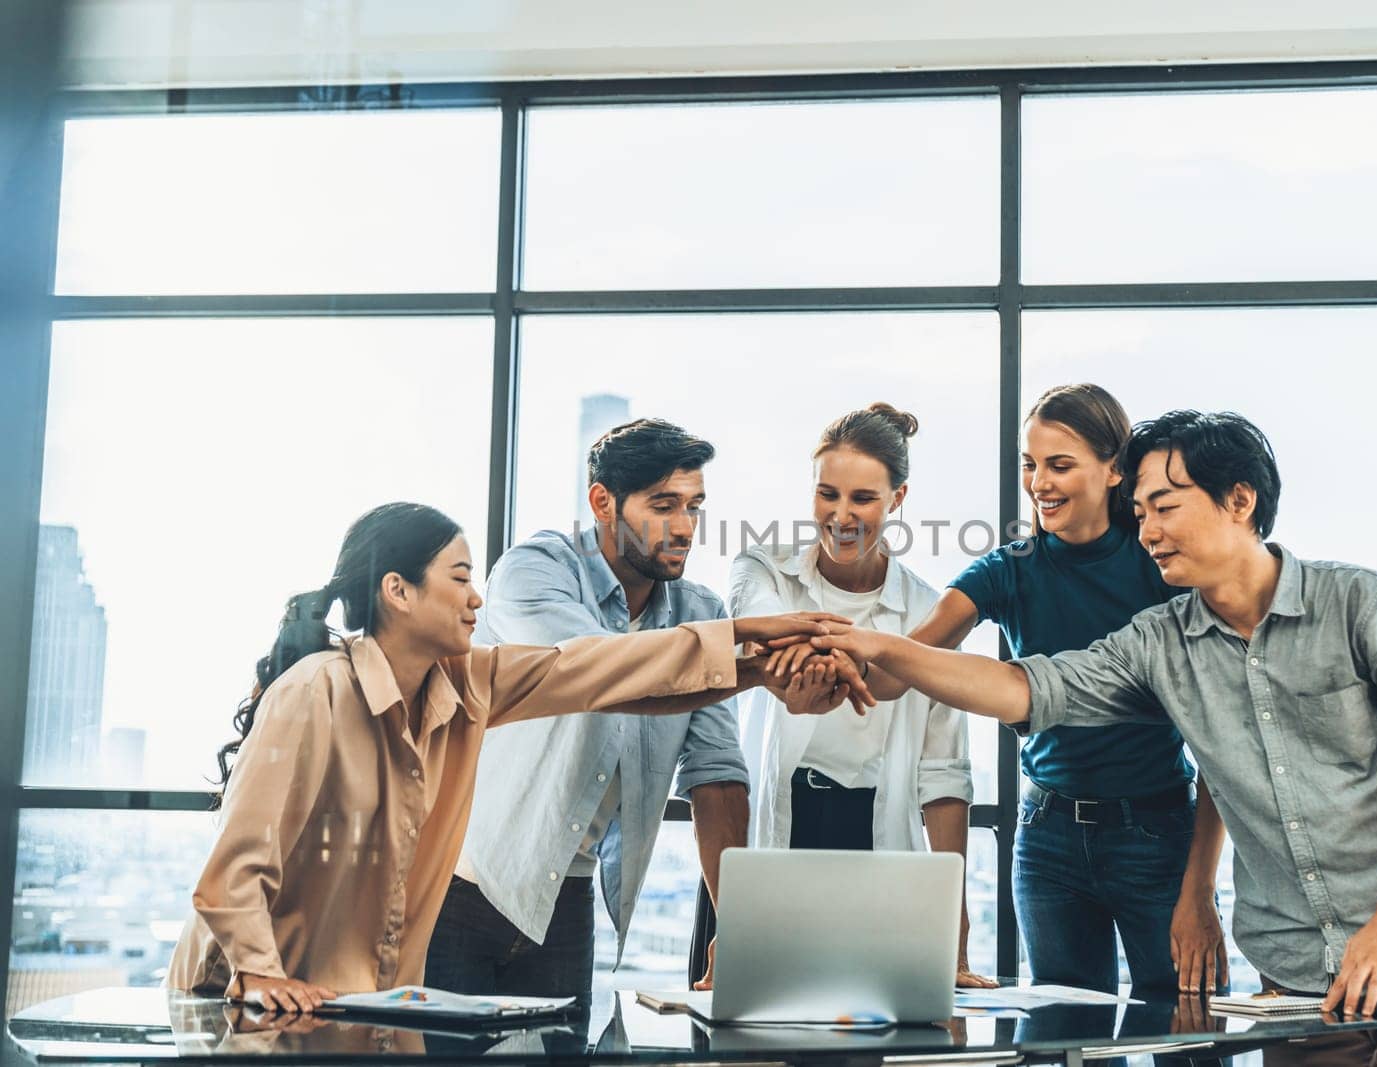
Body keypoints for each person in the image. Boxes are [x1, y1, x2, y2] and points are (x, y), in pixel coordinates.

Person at [812, 411, 1377, 1067]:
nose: (1147, 530)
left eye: (1166, 507)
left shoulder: (1363, 605)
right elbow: (1025, 687)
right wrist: (883, 646)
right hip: (1299, 975)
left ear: (1239, 500)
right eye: (1141, 512)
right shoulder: (1159, 641)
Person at [167, 501, 852, 1013]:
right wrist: (258, 971)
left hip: (351, 1007)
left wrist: (755, 656)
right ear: (398, 592)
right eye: (459, 577)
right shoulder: (314, 688)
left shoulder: (470, 682)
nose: (476, 597)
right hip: (239, 1003)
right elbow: (236, 864)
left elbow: (602, 670)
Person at [854, 384, 1229, 1000]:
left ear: (1114, 470)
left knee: (1189, 1029)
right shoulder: (1009, 568)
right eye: (1030, 465)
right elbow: (903, 667)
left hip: (1158, 834)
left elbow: (1218, 736)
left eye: (1059, 465)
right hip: (1049, 839)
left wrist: (1200, 890)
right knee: (1064, 1038)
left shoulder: (1160, 565)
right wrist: (830, 653)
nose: (1039, 483)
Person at [426, 419, 751, 1002]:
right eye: (664, 505)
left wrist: (742, 928)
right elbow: (598, 674)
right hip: (463, 885)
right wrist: (743, 657)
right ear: (603, 501)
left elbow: (716, 776)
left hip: (566, 899)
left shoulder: (701, 613)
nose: (684, 528)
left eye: (695, 507)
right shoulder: (536, 571)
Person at [733, 402, 994, 988]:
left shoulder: (928, 613)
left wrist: (954, 932)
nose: (841, 515)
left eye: (863, 499)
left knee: (870, 1030)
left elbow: (944, 777)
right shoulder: (763, 571)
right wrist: (828, 657)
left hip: (873, 839)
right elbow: (766, 640)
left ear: (898, 499)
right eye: (827, 494)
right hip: (778, 833)